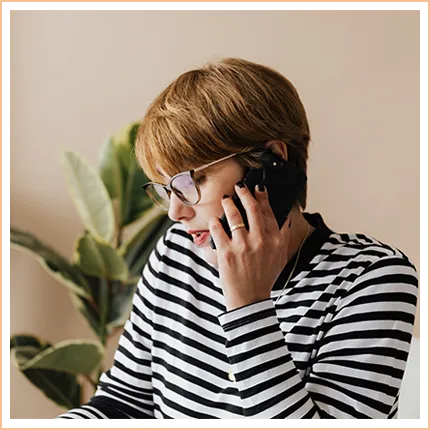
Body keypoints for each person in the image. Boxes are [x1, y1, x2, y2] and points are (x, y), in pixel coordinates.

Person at [55, 58, 418, 421]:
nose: (175, 213)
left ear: (270, 161)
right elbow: (123, 403)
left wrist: (247, 304)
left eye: (191, 182)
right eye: (167, 190)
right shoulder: (176, 254)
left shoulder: (374, 278)